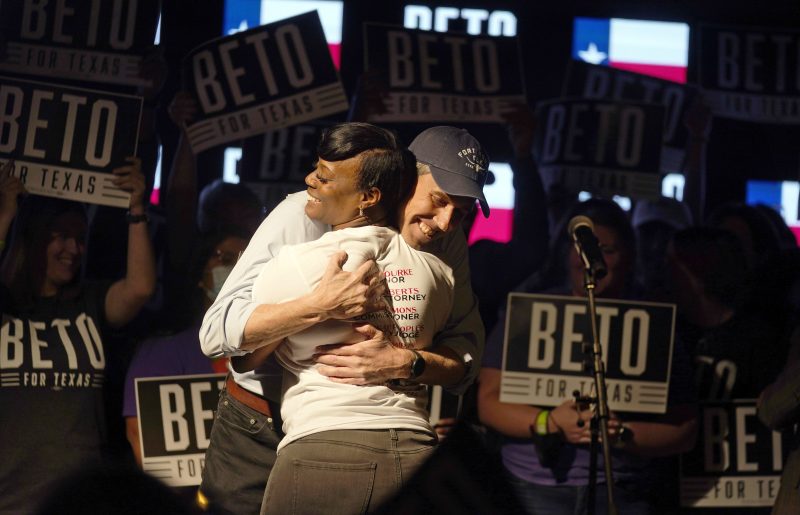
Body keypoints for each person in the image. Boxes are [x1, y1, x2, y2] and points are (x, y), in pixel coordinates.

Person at [198, 123, 487, 514]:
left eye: (462, 212)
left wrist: (408, 363)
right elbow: (219, 331)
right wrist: (319, 305)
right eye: (437, 200)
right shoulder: (307, 212)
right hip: (257, 422)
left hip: (366, 430)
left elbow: (466, 362)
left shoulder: (445, 240)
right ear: (403, 180)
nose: (445, 222)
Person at [478, 198, 697, 515]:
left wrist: (619, 434)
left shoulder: (652, 325)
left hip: (619, 487)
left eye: (605, 250)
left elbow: (685, 429)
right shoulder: (530, 314)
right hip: (533, 486)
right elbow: (488, 402)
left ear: (629, 257)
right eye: (580, 247)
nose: (588, 260)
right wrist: (549, 421)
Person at [0, 158, 156, 513]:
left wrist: (135, 208)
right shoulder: (6, 303)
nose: (74, 249)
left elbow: (141, 287)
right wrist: (5, 217)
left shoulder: (89, 301)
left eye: (80, 239)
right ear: (34, 236)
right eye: (62, 236)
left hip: (83, 500)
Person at [123, 229, 250, 467]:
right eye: (226, 259)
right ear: (201, 274)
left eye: (247, 260)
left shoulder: (279, 351)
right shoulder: (163, 352)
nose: (237, 269)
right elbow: (141, 436)